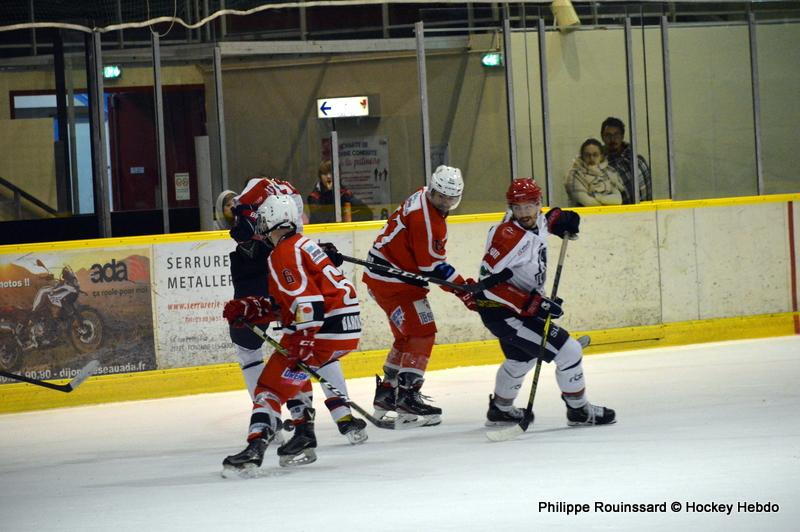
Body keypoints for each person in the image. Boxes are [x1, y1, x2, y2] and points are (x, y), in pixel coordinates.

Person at [221, 195, 366, 475]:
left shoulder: (283, 252)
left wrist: (304, 341)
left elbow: (308, 303)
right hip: (342, 327)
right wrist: (253, 308)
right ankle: (303, 434)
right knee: (293, 375)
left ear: (270, 222)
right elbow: (291, 304)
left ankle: (254, 450)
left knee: (269, 388)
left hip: (323, 330)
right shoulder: (303, 245)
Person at [476, 178, 616, 427]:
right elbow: (486, 285)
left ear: (539, 204)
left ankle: (500, 410)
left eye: (529, 206)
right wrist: (531, 303)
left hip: (517, 311)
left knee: (522, 359)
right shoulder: (508, 237)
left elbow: (545, 222)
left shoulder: (535, 220)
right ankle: (579, 410)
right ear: (511, 208)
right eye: (518, 208)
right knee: (570, 352)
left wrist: (560, 218)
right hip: (505, 313)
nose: (524, 213)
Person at [362, 165, 478, 427]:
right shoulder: (427, 221)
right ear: (433, 190)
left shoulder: (423, 195)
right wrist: (463, 289)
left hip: (383, 277)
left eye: (451, 199)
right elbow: (432, 267)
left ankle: (387, 393)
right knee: (422, 333)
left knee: (406, 337)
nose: (445, 203)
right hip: (393, 282)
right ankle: (407, 397)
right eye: (441, 196)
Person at [600, 117, 652, 204]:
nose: (612, 139)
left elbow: (647, 194)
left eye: (616, 134)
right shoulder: (599, 166)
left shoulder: (638, 162)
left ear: (622, 136)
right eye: (608, 135)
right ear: (602, 137)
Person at [564, 138, 626, 207]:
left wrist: (598, 197)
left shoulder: (610, 172)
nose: (591, 158)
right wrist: (608, 200)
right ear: (582, 156)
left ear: (601, 156)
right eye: (587, 155)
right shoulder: (574, 174)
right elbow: (586, 201)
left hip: (611, 213)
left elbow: (618, 199)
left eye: (595, 155)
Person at [307, 160, 373, 223]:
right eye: (325, 174)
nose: (328, 176)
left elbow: (367, 214)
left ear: (338, 175)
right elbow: (323, 219)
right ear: (320, 177)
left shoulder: (344, 194)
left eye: (331, 173)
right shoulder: (314, 197)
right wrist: (330, 192)